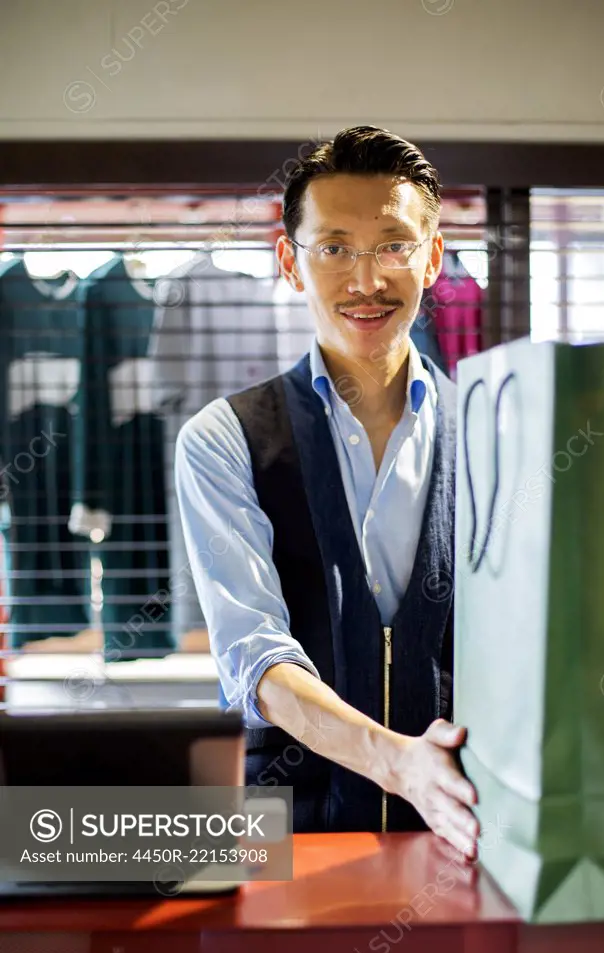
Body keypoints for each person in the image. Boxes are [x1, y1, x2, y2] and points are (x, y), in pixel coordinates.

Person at [175, 125, 480, 863]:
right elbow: (256, 661)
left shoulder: (492, 435)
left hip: (463, 836)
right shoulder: (224, 439)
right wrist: (399, 763)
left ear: (432, 257)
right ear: (291, 262)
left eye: (393, 245)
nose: (366, 281)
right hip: (286, 841)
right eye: (335, 247)